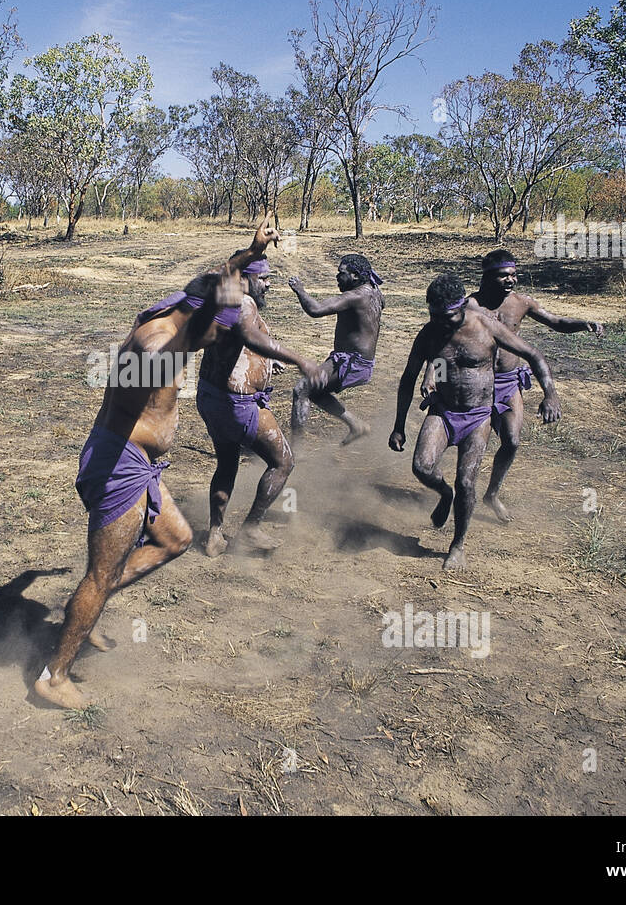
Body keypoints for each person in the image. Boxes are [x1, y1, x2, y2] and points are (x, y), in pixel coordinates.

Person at [35, 217, 317, 708]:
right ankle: (53, 676)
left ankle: (80, 611)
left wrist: (248, 255)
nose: (214, 342)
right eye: (215, 333)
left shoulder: (181, 317)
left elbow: (212, 287)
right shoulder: (157, 342)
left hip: (137, 463)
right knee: (101, 575)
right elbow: (158, 349)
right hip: (117, 466)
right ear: (201, 321)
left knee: (176, 539)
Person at [389, 273, 559, 569]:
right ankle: (444, 494)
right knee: (422, 467)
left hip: (478, 416)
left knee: (467, 481)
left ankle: (457, 546)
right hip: (443, 412)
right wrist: (399, 425)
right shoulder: (429, 333)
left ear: (461, 308)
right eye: (435, 316)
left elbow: (533, 354)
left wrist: (550, 394)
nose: (442, 322)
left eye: (449, 316)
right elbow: (408, 379)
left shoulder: (484, 326)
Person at [450, 248, 604, 521]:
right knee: (471, 443)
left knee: (512, 441)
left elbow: (556, 321)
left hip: (509, 382)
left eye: (513, 275)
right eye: (502, 276)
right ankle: (460, 492)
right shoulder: (469, 306)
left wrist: (583, 324)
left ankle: (492, 494)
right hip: (477, 384)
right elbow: (444, 342)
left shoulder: (522, 303)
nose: (510, 280)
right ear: (486, 277)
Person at [197, 252, 320, 556]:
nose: (267, 285)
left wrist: (264, 363)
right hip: (237, 403)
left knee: (227, 463)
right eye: (263, 278)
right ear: (246, 277)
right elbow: (250, 337)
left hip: (211, 397)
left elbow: (235, 344)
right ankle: (251, 528)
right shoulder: (243, 302)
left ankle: (214, 535)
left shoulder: (223, 296)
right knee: (284, 461)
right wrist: (298, 358)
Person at [287, 253, 385, 445]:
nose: (337, 277)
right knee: (315, 392)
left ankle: (294, 448)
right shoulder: (375, 291)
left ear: (355, 276)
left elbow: (315, 309)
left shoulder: (354, 296)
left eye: (341, 273)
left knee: (302, 389)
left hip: (352, 363)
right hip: (359, 362)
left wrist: (300, 290)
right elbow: (381, 302)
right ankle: (356, 425)